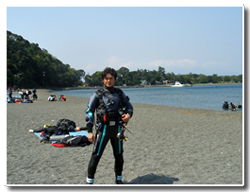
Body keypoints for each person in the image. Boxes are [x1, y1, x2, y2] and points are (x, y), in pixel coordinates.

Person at [85, 67, 133, 184]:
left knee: (119, 155)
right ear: (103, 80)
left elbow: (129, 107)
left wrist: (128, 115)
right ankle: (89, 181)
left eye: (111, 78)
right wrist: (90, 131)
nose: (108, 81)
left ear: (114, 79)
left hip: (117, 129)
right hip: (103, 130)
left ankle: (119, 179)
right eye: (106, 79)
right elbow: (89, 112)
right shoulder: (97, 95)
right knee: (96, 155)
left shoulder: (120, 93)